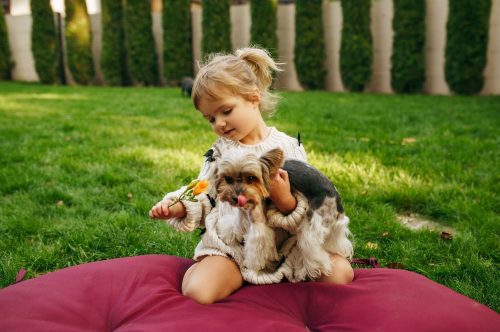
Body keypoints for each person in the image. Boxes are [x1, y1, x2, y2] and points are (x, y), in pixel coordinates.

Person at [149, 47, 354, 305]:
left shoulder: (288, 148)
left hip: (286, 249)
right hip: (234, 251)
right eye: (210, 118)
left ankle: (273, 277)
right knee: (199, 291)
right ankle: (213, 271)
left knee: (340, 274)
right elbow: (203, 194)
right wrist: (177, 206)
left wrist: (283, 201)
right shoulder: (219, 153)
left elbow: (309, 206)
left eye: (225, 111)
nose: (219, 124)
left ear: (253, 98)